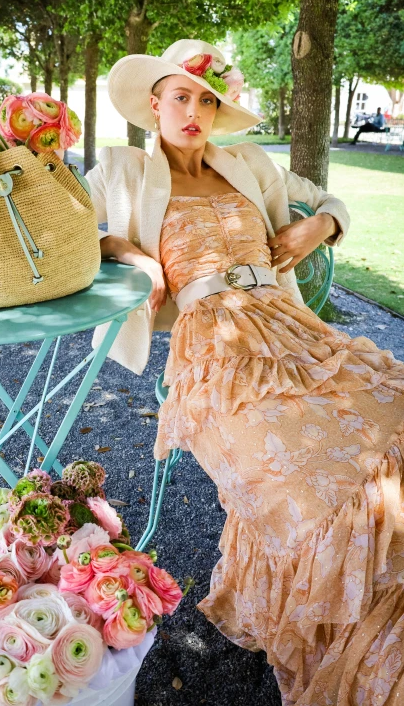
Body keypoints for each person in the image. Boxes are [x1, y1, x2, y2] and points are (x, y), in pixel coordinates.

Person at [86, 39, 404, 705]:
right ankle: (331, 621)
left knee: (390, 427)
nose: (194, 109)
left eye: (207, 98)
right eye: (181, 95)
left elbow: (329, 202)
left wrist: (317, 225)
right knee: (318, 486)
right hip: (216, 353)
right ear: (154, 104)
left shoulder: (249, 162)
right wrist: (135, 256)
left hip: (296, 332)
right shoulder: (121, 169)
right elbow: (80, 235)